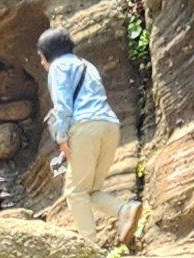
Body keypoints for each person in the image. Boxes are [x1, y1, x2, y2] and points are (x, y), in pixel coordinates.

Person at [39, 27, 138, 246]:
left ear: (47, 53)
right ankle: (125, 209)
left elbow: (63, 104)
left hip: (85, 127)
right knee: (90, 190)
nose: (41, 63)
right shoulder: (87, 65)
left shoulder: (58, 67)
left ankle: (89, 246)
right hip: (109, 125)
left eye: (41, 57)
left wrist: (62, 138)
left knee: (74, 192)